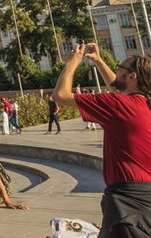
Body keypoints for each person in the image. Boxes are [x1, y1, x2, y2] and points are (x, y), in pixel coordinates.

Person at [53, 43, 151, 237]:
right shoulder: (144, 105)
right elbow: (118, 91)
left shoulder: (119, 106)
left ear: (133, 76)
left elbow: (61, 95)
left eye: (120, 68)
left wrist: (73, 62)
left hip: (127, 203)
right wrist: (98, 61)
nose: (116, 70)